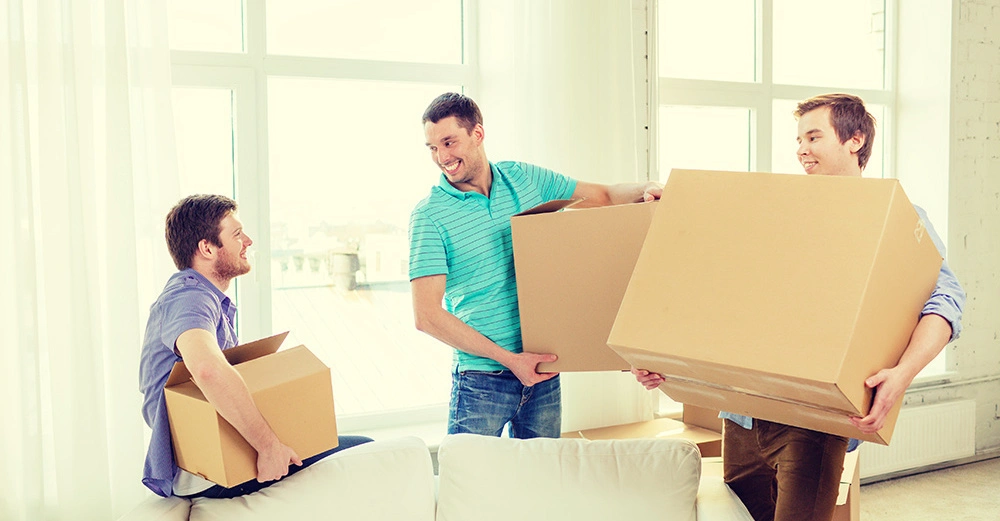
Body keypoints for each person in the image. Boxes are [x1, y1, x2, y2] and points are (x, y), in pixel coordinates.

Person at [632, 93, 966, 521]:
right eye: (798, 140)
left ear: (855, 140)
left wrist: (901, 375)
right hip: (742, 414)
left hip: (814, 419)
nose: (801, 150)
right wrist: (681, 211)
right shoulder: (777, 210)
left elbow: (946, 302)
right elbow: (716, 287)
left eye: (813, 136)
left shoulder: (899, 218)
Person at [410, 92, 661, 439]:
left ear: (477, 133)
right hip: (481, 382)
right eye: (432, 148)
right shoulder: (430, 216)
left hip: (542, 375)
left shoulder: (523, 179)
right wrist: (511, 360)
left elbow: (603, 196)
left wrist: (648, 188)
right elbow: (426, 316)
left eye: (449, 142)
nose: (442, 157)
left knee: (542, 472)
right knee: (471, 474)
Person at [139, 194, 371, 498]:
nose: (247, 241)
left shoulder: (203, 297)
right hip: (205, 469)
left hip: (215, 455)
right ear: (207, 248)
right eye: (237, 234)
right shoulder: (188, 297)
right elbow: (207, 368)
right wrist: (269, 447)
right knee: (366, 453)